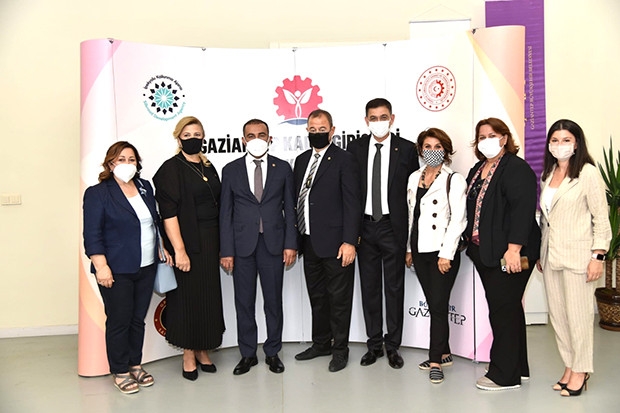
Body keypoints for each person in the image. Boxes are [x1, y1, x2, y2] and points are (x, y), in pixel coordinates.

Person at [83, 141, 172, 394]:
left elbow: (154, 222)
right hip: (115, 269)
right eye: (121, 159)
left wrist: (162, 248)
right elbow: (92, 234)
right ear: (110, 163)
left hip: (146, 266)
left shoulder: (145, 187)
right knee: (119, 320)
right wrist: (101, 266)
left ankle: (135, 364)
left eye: (131, 159)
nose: (127, 164)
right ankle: (120, 370)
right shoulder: (98, 193)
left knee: (137, 320)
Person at [464, 118, 541, 391]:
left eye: (492, 135)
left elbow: (523, 211)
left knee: (503, 311)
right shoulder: (478, 169)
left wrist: (514, 249)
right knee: (509, 308)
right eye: (481, 136)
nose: (486, 140)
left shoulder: (516, 168)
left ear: (504, 138)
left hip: (509, 253)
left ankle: (504, 375)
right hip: (486, 252)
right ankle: (517, 366)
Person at [537, 119, 611, 397]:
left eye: (566, 140)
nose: (560, 145)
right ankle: (569, 365)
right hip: (551, 255)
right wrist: (541, 252)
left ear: (576, 143)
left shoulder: (588, 173)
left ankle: (581, 370)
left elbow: (601, 218)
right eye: (555, 140)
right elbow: (546, 218)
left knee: (579, 318)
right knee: (559, 317)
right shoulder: (548, 173)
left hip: (579, 256)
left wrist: (597, 256)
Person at [219, 119, 297, 375]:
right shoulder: (230, 170)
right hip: (241, 247)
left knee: (273, 302)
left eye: (261, 135)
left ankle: (273, 352)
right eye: (251, 135)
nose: (256, 139)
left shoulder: (282, 168)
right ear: (243, 140)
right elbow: (225, 213)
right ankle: (248, 354)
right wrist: (226, 250)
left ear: (269, 138)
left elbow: (290, 209)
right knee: (244, 302)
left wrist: (290, 244)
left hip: (273, 245)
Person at [347, 98, 418, 369]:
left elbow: (413, 195)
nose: (379, 122)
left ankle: (393, 346)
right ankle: (374, 344)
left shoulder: (407, 149)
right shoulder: (355, 148)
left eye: (383, 117)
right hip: (365, 228)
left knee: (394, 288)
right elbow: (351, 193)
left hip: (392, 227)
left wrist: (410, 240)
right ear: (366, 121)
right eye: (374, 118)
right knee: (369, 287)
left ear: (392, 118)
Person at [153, 116, 225, 381]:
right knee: (187, 299)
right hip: (187, 243)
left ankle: (202, 349)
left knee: (207, 297)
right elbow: (168, 214)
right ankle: (188, 353)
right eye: (187, 135)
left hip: (210, 242)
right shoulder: (171, 169)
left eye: (197, 134)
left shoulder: (208, 166)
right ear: (178, 138)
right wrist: (179, 250)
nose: (193, 139)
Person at [293, 109, 362, 372]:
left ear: (332, 131)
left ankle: (340, 350)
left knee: (339, 300)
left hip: (337, 244)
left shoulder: (344, 159)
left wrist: (350, 241)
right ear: (307, 131)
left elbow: (352, 203)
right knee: (318, 297)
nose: (317, 133)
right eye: (312, 129)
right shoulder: (301, 160)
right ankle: (321, 343)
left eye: (322, 129)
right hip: (309, 241)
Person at [405, 128, 467, 384]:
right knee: (434, 304)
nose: (432, 151)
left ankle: (434, 361)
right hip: (420, 250)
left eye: (438, 147)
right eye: (427, 147)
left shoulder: (454, 179)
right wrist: (409, 249)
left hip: (442, 252)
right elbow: (412, 216)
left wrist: (447, 253)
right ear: (421, 150)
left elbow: (458, 220)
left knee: (439, 306)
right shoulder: (414, 177)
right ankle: (444, 352)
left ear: (446, 150)